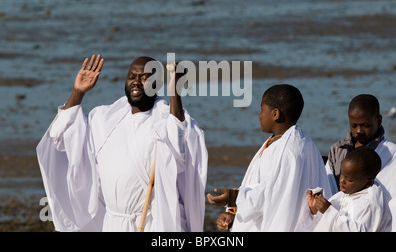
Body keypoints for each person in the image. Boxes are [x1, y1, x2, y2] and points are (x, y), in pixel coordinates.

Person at [36, 54, 208, 232]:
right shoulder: (103, 119)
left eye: (144, 77)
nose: (136, 82)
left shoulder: (165, 121)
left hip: (153, 223)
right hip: (112, 223)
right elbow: (60, 136)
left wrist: (175, 93)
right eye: (132, 77)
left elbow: (178, 155)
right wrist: (78, 93)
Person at [207, 84, 331, 231]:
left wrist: (233, 197)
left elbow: (269, 194)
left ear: (275, 114)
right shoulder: (295, 142)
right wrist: (234, 214)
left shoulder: (288, 150)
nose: (259, 115)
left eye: (261, 109)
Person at [325, 94, 396, 230]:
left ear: (379, 120)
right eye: (354, 125)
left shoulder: (391, 154)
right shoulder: (337, 150)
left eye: (365, 125)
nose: (358, 131)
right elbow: (329, 189)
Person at [296, 147, 391, 232]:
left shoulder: (370, 203)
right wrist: (315, 211)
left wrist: (328, 211)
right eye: (341, 174)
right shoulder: (342, 195)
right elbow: (324, 224)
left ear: (368, 182)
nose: (342, 181)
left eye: (349, 179)